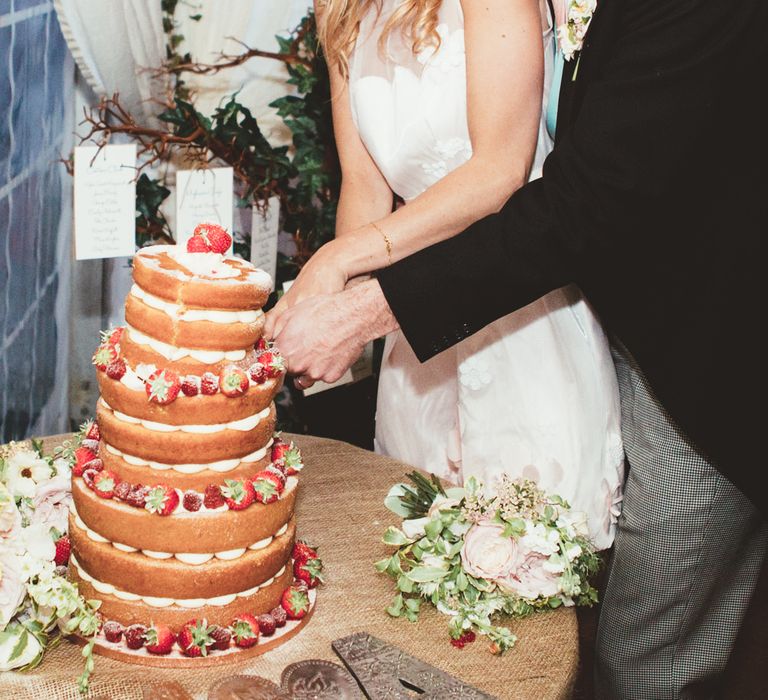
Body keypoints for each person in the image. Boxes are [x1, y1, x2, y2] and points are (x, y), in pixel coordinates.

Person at [271, 0, 768, 697]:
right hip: (439, 327)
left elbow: (564, 191)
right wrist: (334, 286)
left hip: (679, 336)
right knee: (414, 601)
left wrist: (358, 299)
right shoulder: (338, 8)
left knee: (593, 636)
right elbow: (367, 187)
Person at [266, 0, 624, 550]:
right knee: (418, 564)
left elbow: (498, 173)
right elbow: (365, 189)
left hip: (518, 311)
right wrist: (317, 312)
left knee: (528, 572)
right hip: (411, 339)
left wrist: (335, 261)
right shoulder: (336, 7)